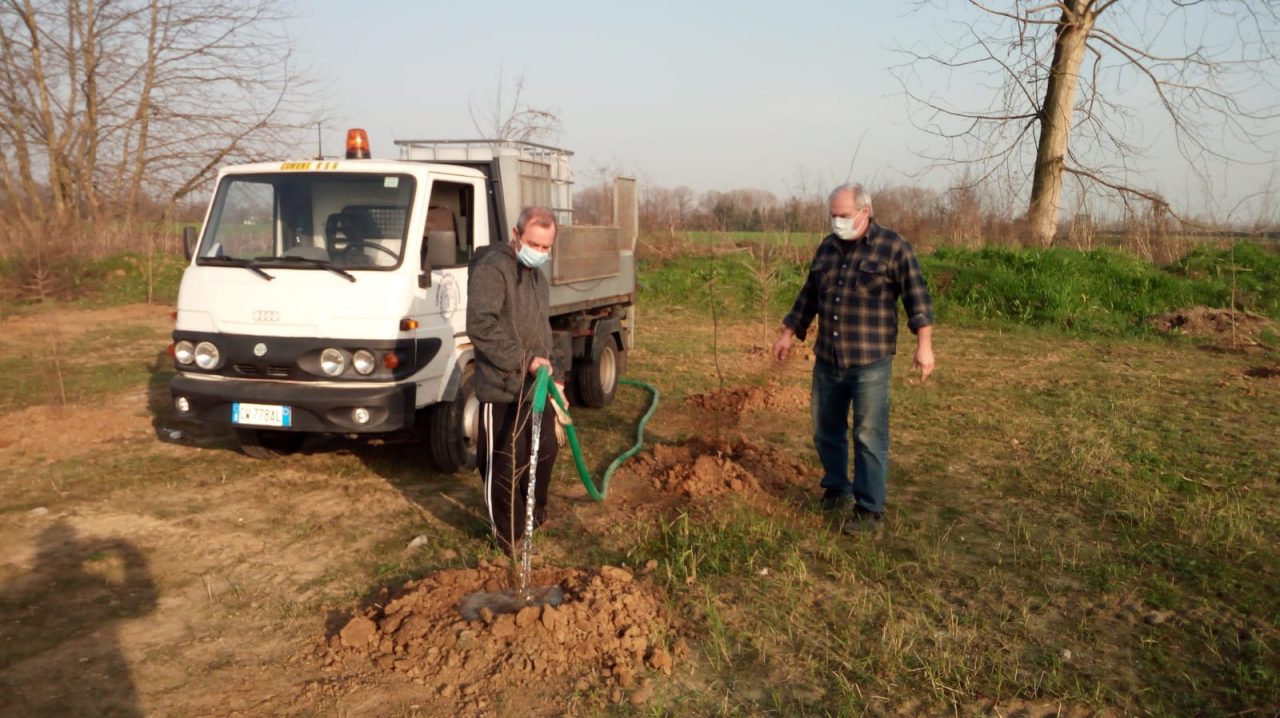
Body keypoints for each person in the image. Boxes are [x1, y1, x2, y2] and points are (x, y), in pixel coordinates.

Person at [772, 183, 935, 535]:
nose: (837, 222)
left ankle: (869, 508)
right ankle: (836, 488)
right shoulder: (827, 249)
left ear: (865, 212)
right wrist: (788, 333)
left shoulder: (892, 247)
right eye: (832, 215)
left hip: (870, 361)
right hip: (828, 360)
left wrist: (924, 346)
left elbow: (917, 298)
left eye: (843, 216)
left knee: (868, 433)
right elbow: (808, 296)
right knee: (825, 428)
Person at [467, 206, 569, 554]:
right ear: (516, 235)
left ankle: (535, 516)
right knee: (506, 462)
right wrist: (526, 362)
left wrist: (558, 376)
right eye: (534, 244)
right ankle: (508, 536)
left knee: (544, 454)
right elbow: (482, 325)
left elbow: (543, 330)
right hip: (503, 387)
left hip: (537, 386)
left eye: (546, 247)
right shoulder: (493, 269)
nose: (540, 252)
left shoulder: (537, 277)